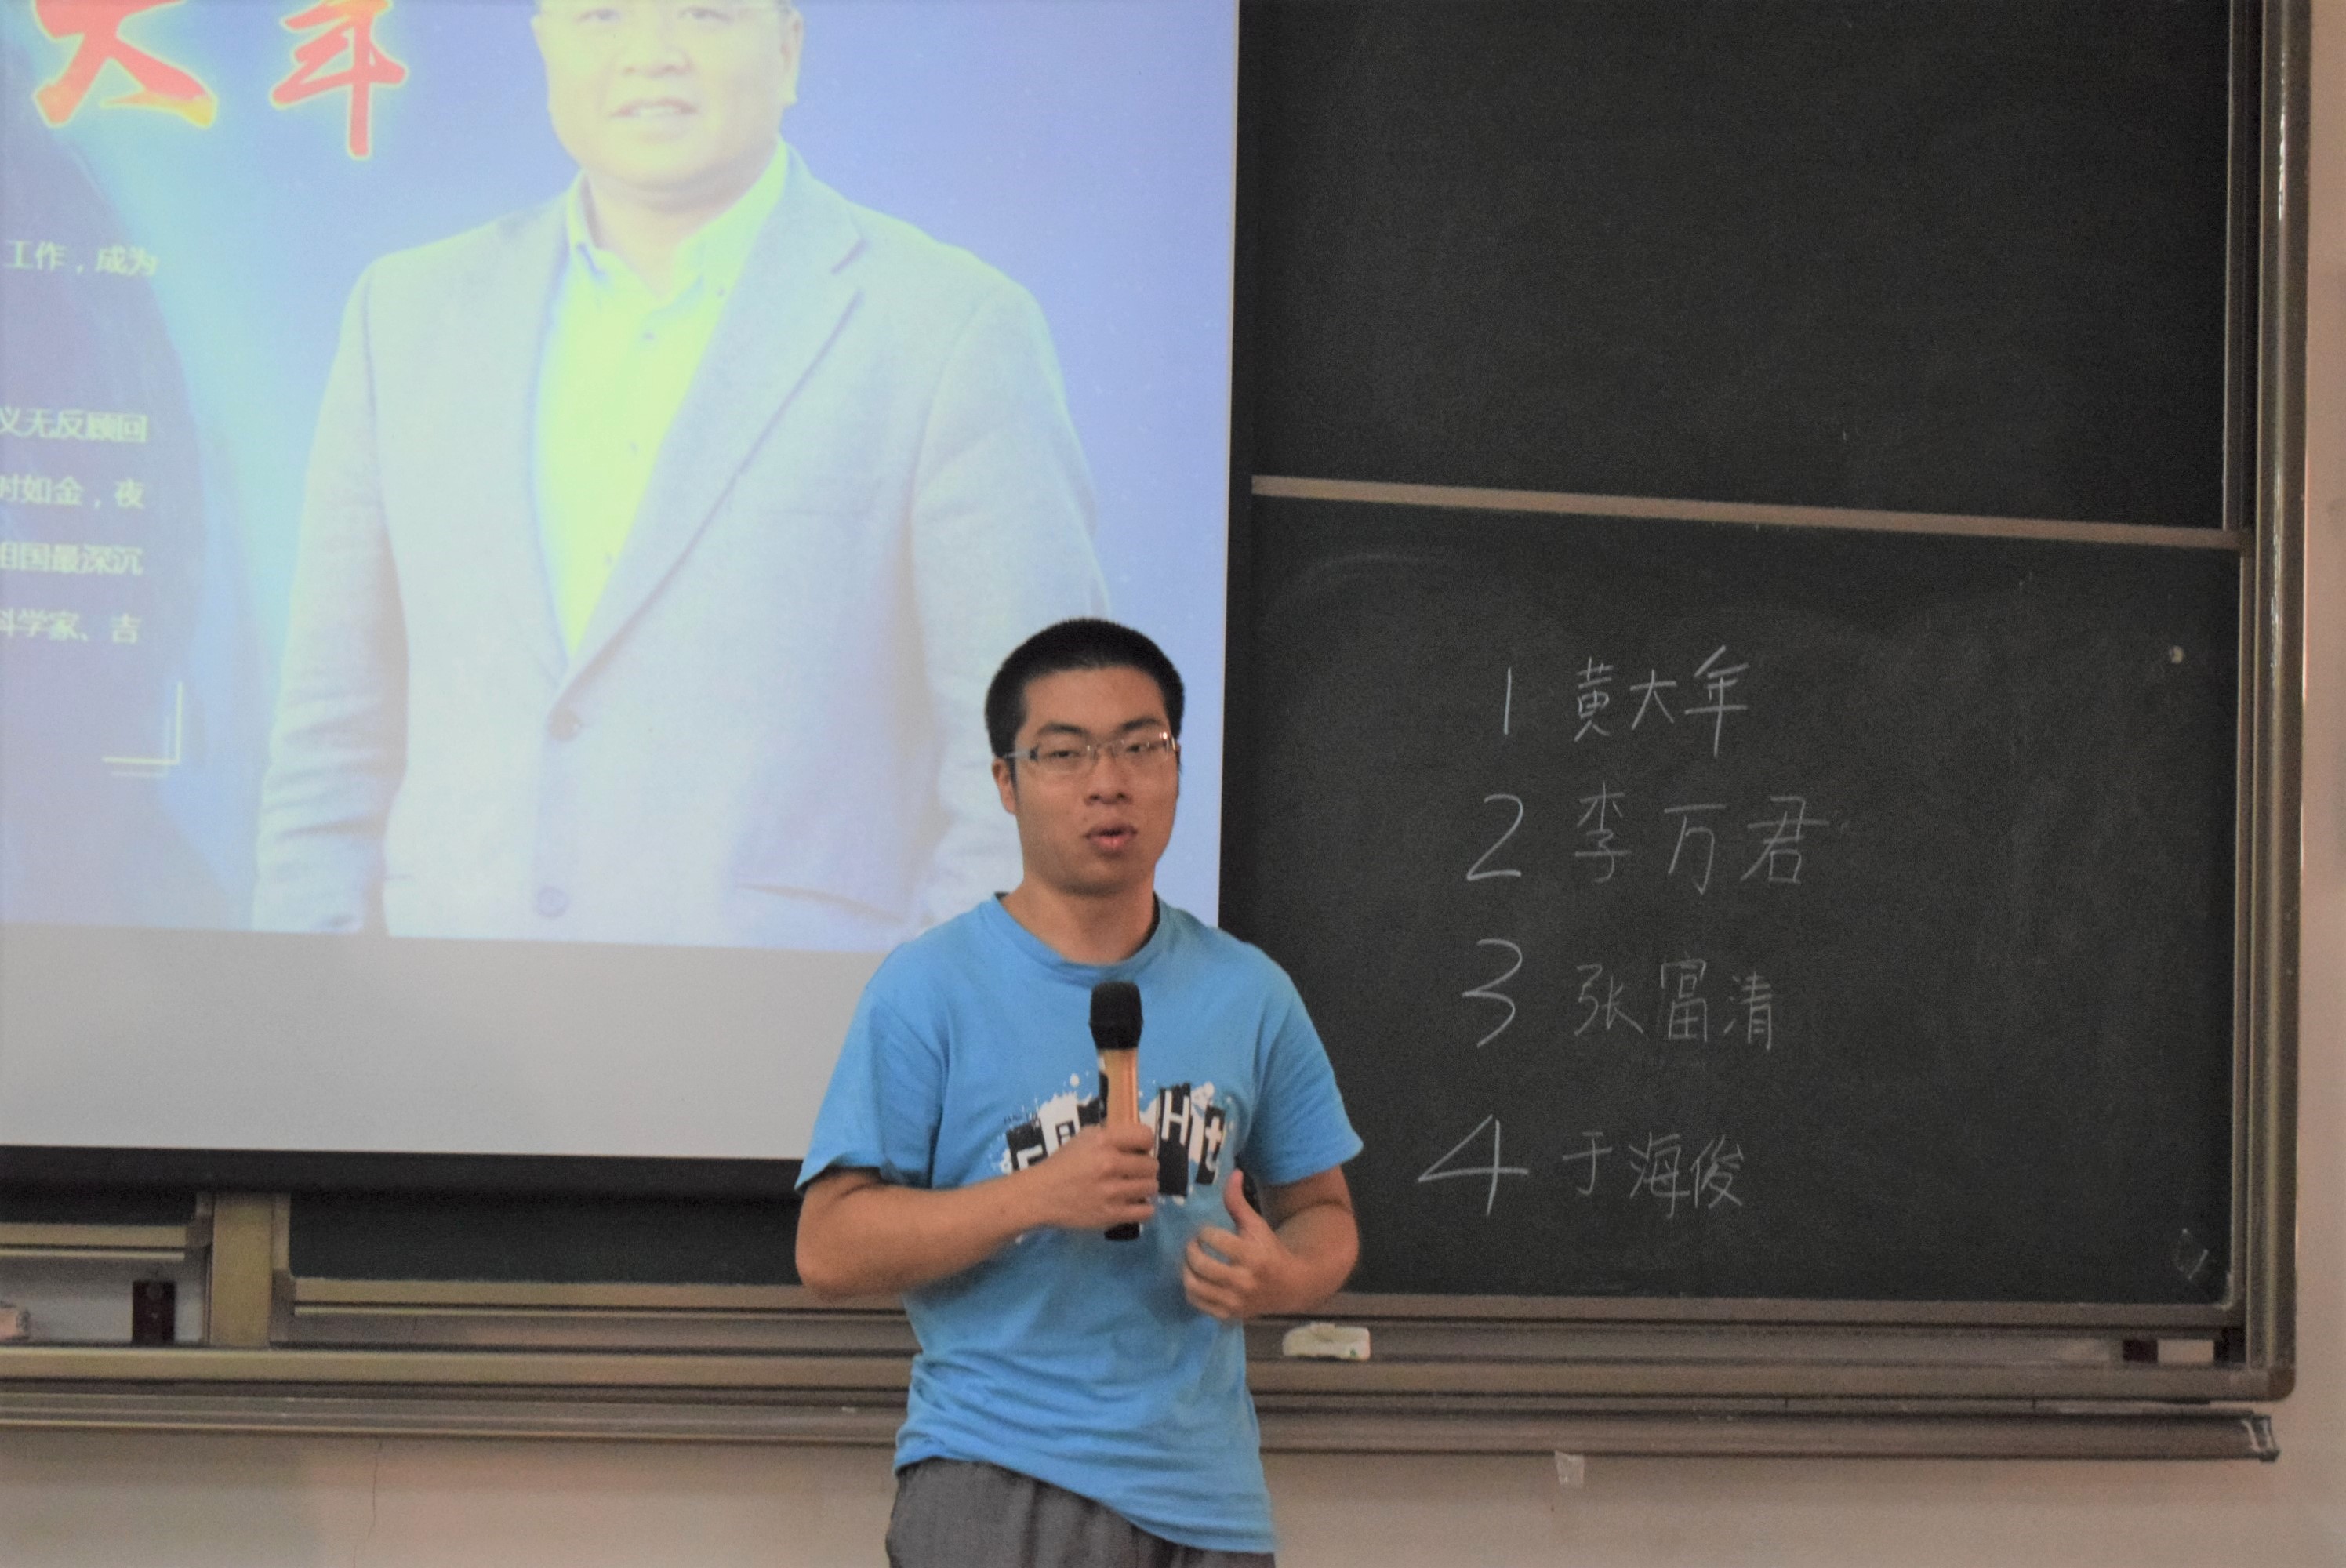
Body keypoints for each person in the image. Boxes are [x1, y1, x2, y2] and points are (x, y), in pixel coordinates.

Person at [252, 0, 1105, 950]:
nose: (651, 55)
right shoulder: (406, 313)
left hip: (797, 1024)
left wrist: (920, 1030)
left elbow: (1040, 761)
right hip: (440, 1017)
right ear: (545, 43)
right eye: (602, 15)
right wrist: (308, 1004)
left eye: (703, 12)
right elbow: (331, 737)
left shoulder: (949, 329)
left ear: (787, 48)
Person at [795, 619, 1362, 1566]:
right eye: (1065, 753)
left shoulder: (1249, 990)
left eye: (1142, 746)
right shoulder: (928, 987)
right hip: (996, 1478)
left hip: (1208, 1497)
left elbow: (1324, 1212)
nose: (1110, 782)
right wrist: (1036, 1195)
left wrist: (1283, 1275)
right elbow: (828, 1247)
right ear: (1005, 782)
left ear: (1176, 766)